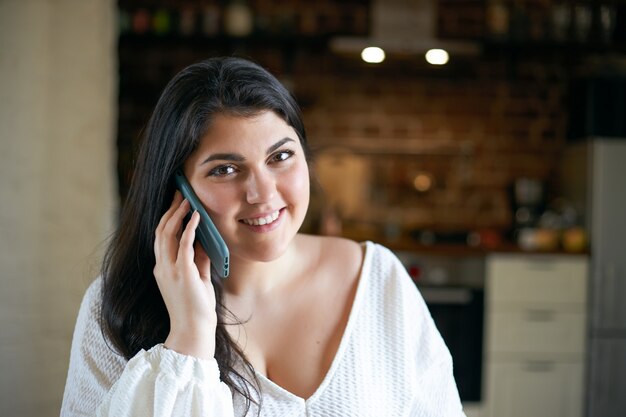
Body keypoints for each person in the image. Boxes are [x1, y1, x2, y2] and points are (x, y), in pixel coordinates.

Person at [60, 56, 465, 417]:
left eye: (280, 156)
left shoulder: (379, 278)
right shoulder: (116, 305)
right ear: (178, 190)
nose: (264, 194)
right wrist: (188, 337)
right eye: (225, 169)